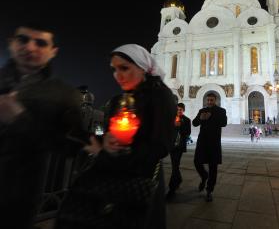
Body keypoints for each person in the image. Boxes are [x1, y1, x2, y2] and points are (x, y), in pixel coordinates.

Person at [55, 44, 176, 229]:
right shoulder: (124, 98)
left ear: (143, 67)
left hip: (139, 181)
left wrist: (103, 153)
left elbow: (159, 146)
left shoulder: (161, 96)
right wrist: (103, 139)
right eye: (114, 69)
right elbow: (114, 134)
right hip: (112, 178)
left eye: (124, 68)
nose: (117, 75)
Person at [0, 24, 88, 229]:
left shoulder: (63, 94)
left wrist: (19, 118)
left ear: (52, 52)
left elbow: (73, 144)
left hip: (17, 196)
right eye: (23, 39)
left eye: (40, 43)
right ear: (12, 44)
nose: (30, 47)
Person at [193, 93, 227, 202]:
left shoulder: (221, 111)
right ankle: (204, 176)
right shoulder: (202, 111)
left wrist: (211, 117)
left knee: (213, 167)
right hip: (202, 141)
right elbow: (194, 123)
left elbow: (224, 123)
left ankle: (209, 191)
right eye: (208, 100)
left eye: (211, 100)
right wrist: (201, 119)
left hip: (214, 143)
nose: (209, 102)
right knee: (197, 162)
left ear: (215, 100)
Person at [166, 103, 191, 200]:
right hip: (172, 146)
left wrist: (180, 125)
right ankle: (178, 180)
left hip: (180, 147)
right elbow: (168, 130)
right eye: (177, 109)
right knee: (175, 165)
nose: (179, 111)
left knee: (175, 165)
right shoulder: (171, 119)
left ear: (183, 110)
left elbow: (188, 133)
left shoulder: (187, 120)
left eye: (180, 109)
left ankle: (172, 189)